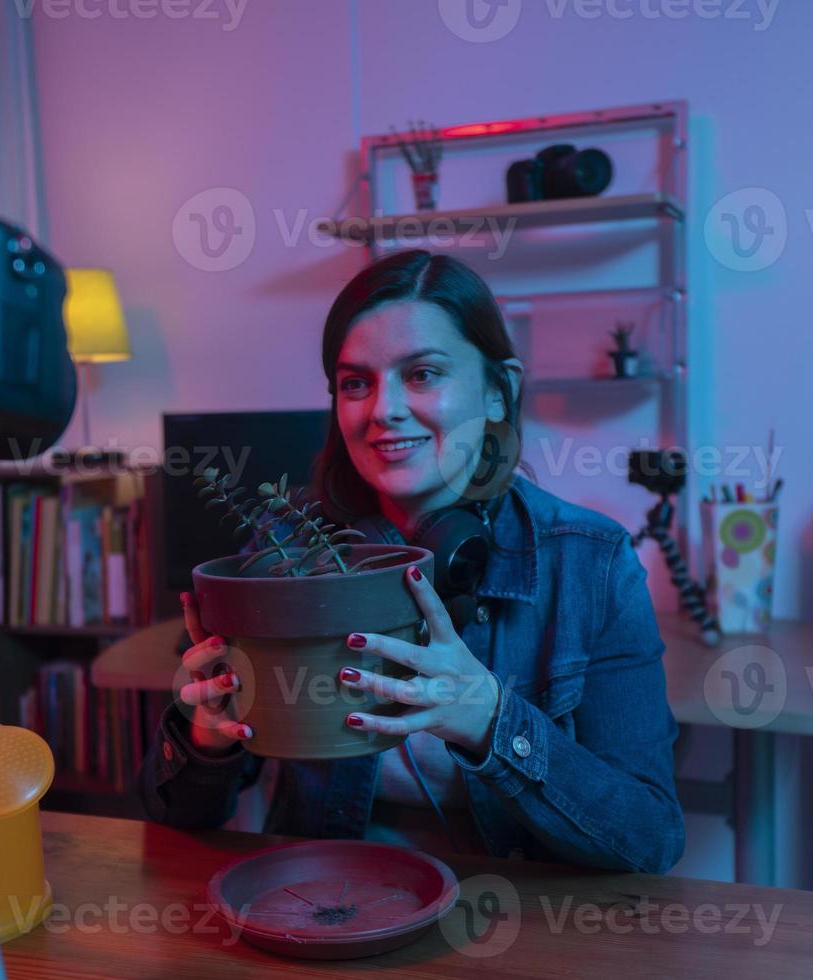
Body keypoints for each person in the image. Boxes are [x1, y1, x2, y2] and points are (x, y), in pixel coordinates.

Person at [136, 249, 684, 873]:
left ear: (498, 393)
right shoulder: (285, 548)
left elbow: (650, 839)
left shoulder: (591, 563)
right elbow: (176, 818)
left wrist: (489, 720)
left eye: (422, 374)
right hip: (326, 915)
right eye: (355, 383)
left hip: (525, 930)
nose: (382, 409)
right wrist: (208, 741)